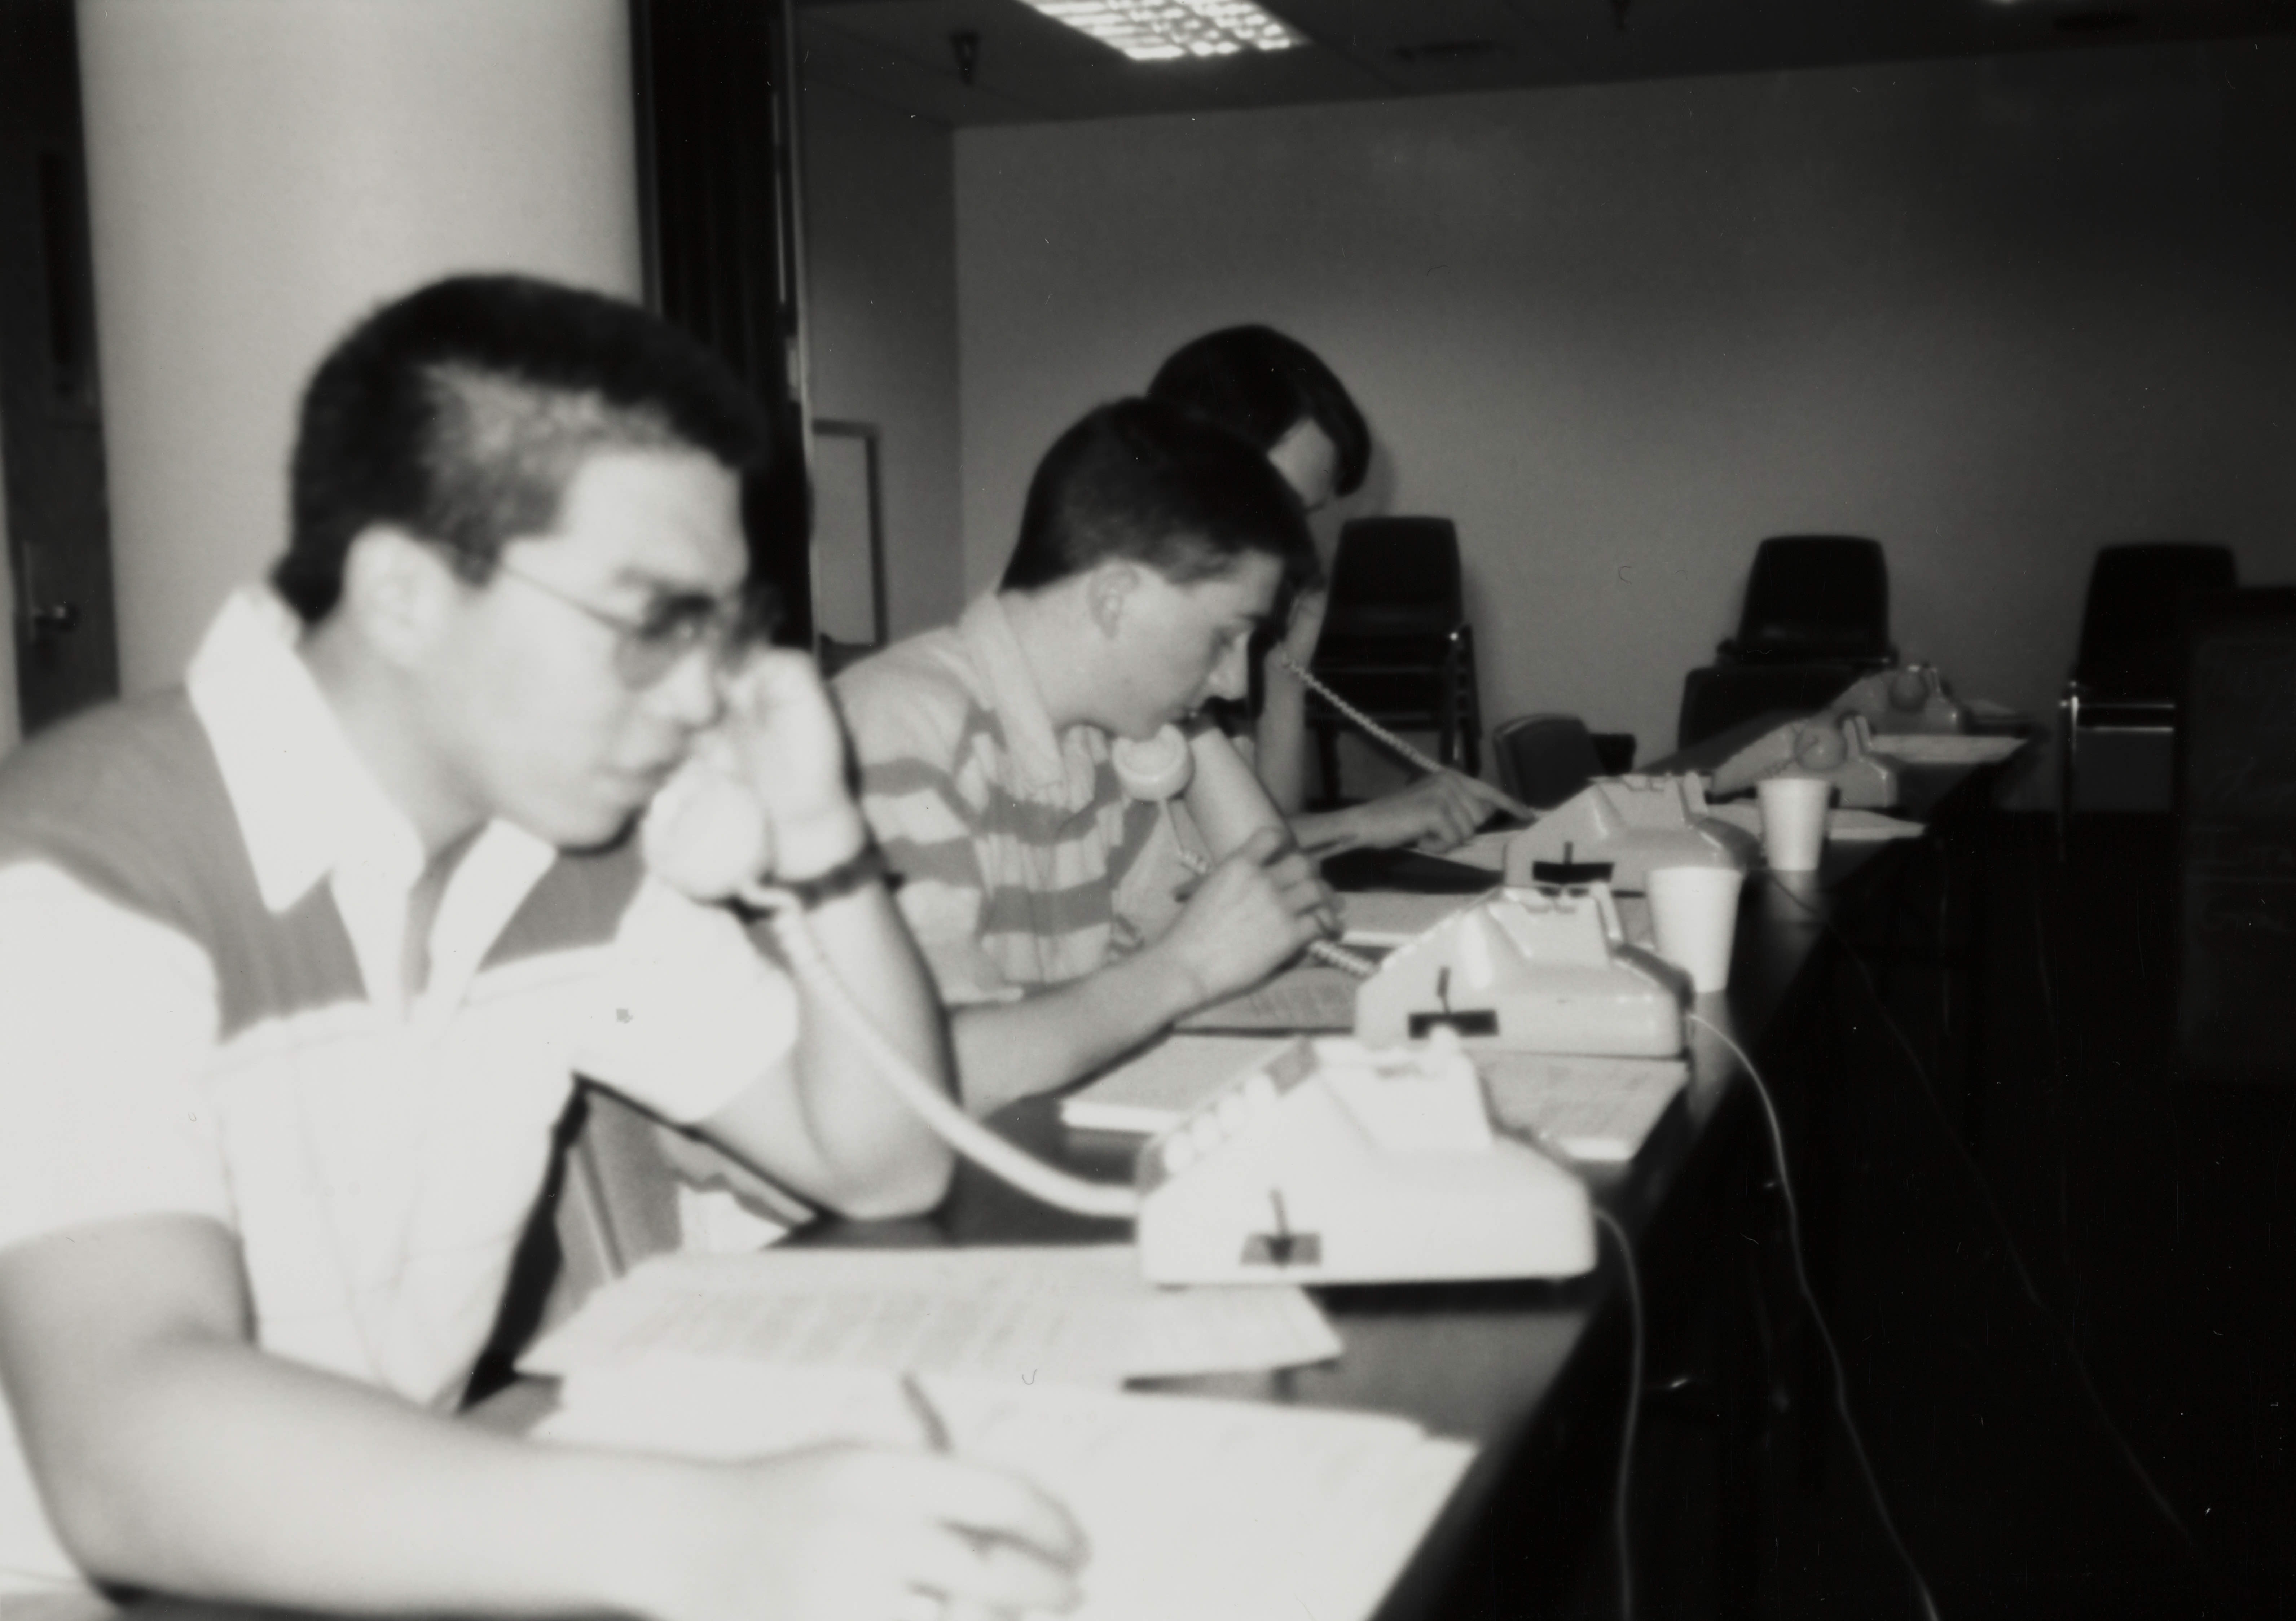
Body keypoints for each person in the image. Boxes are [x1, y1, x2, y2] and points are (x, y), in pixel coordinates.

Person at [0, 274, 1083, 1618]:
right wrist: (712, 1537)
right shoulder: (79, 865)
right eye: (649, 625)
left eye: (721, 630)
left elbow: (880, 1159)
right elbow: (126, 1447)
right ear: (401, 590)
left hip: (380, 1549)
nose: (699, 696)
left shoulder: (569, 848)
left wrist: (817, 833)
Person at [834, 399, 1341, 1113]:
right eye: (1225, 639)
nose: (1233, 681)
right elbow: (930, 1073)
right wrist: (1184, 967)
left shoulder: (1094, 745)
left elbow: (1243, 916)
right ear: (1113, 598)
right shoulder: (903, 730)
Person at [1147, 325, 1521, 853]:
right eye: (1279, 508)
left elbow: (1268, 827)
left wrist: (1285, 676)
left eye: (1303, 518)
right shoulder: (1138, 663)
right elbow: (1235, 858)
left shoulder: (1221, 656)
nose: (1294, 551)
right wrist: (1369, 820)